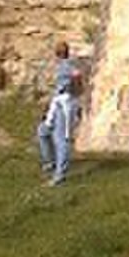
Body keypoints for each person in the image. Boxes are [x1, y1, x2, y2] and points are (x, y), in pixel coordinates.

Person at [38, 41, 82, 186]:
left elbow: (77, 75)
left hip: (65, 104)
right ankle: (49, 162)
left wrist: (73, 92)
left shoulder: (67, 65)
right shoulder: (62, 65)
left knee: (61, 139)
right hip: (58, 103)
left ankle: (59, 175)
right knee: (43, 131)